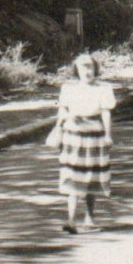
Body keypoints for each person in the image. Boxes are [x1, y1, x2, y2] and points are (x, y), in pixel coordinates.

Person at [54, 53, 115, 234]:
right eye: (83, 67)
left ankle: (89, 218)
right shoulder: (68, 89)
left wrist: (108, 135)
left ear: (95, 69)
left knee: (91, 176)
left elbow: (106, 113)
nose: (87, 71)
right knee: (72, 175)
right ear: (76, 70)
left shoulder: (103, 89)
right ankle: (71, 220)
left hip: (94, 134)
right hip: (73, 134)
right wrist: (59, 130)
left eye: (90, 66)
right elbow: (62, 111)